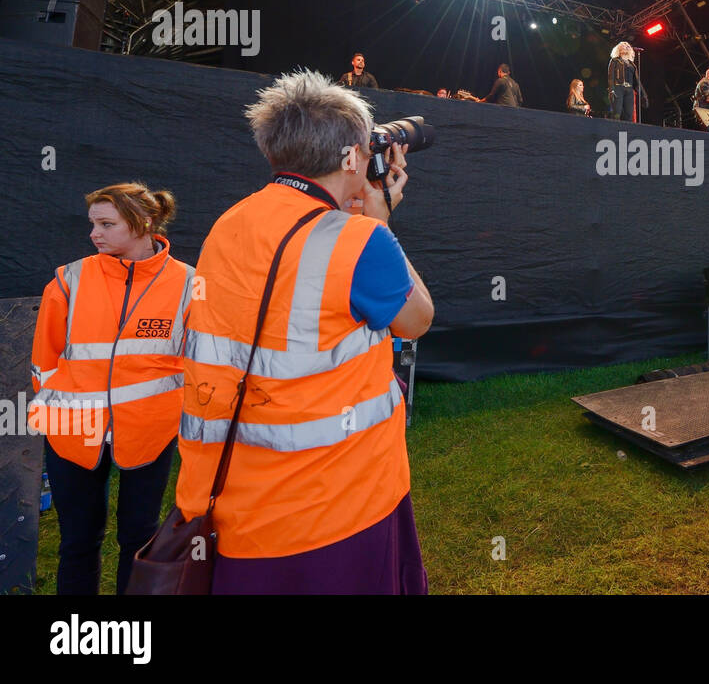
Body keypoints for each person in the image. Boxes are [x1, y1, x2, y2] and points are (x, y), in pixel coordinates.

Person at [175, 70, 435, 592]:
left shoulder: (229, 223)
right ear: (354, 156)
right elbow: (418, 319)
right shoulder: (360, 241)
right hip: (337, 507)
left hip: (229, 507)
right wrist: (378, 222)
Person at [28, 183, 194, 594]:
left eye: (106, 224)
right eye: (93, 224)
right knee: (78, 541)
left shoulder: (189, 285)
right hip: (72, 430)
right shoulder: (68, 280)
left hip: (149, 430)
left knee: (138, 538)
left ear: (145, 222)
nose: (94, 234)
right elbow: (43, 361)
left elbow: (196, 362)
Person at [607, 42, 645, 122]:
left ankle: (623, 135)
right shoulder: (614, 61)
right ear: (619, 49)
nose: (626, 46)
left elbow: (637, 82)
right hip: (618, 88)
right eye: (623, 45)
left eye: (627, 45)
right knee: (617, 114)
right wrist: (611, 90)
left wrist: (643, 95)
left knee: (628, 116)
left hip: (629, 91)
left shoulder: (632, 65)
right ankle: (613, 134)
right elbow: (611, 77)